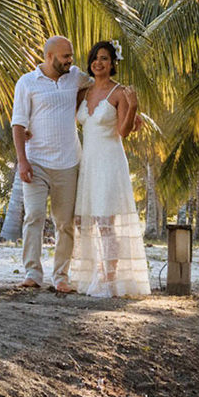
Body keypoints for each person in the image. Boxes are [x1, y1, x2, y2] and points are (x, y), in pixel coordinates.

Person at [68, 40, 152, 298]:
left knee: (106, 221)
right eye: (95, 57)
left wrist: (133, 108)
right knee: (87, 221)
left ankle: (110, 277)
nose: (98, 62)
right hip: (88, 161)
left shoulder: (120, 93)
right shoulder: (82, 93)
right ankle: (91, 273)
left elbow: (124, 131)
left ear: (113, 63)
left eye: (104, 58)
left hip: (110, 160)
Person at [10, 37, 90, 292]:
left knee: (65, 223)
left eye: (71, 55)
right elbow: (18, 124)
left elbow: (99, 85)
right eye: (65, 56)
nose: (70, 60)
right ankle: (33, 274)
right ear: (49, 57)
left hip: (68, 162)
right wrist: (22, 161)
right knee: (33, 216)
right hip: (36, 162)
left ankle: (61, 277)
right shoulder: (27, 82)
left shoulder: (75, 76)